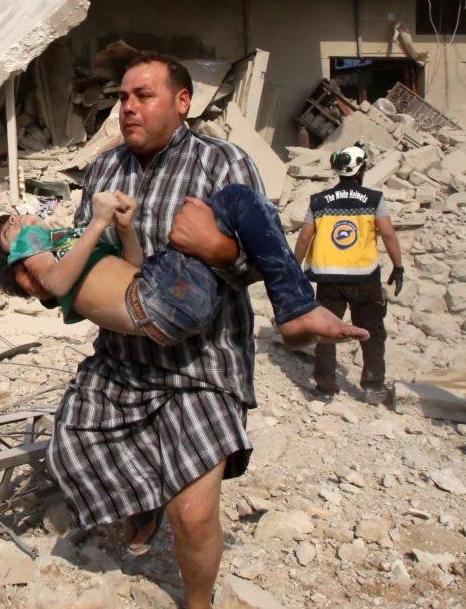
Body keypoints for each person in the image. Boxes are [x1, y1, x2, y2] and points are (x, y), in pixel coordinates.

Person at [46, 53, 278, 609]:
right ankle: (143, 497)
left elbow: (264, 259)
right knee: (72, 451)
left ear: (182, 102)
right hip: (124, 359)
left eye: (143, 95)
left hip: (202, 362)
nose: (127, 107)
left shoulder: (223, 164)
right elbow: (87, 257)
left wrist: (218, 248)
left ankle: (198, 602)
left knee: (193, 515)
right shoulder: (103, 170)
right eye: (122, 97)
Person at [0, 189, 367, 348]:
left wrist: (125, 229)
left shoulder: (67, 243)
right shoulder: (34, 254)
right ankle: (296, 310)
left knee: (236, 202)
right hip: (153, 304)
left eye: (12, 219)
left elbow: (132, 267)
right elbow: (54, 282)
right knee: (233, 199)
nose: (16, 223)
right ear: (13, 268)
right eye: (7, 231)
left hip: (164, 296)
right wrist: (97, 223)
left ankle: (296, 309)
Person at [293, 143, 404, 403]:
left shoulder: (319, 201)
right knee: (372, 331)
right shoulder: (374, 199)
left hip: (328, 279)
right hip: (365, 278)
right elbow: (388, 233)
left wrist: (294, 268)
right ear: (360, 170)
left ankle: (324, 387)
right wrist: (398, 266)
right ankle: (373, 386)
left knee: (326, 332)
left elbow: (305, 236)